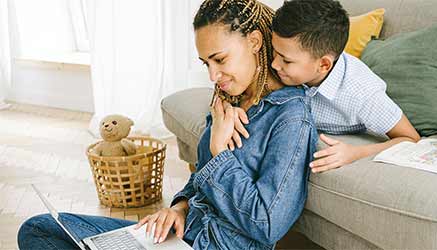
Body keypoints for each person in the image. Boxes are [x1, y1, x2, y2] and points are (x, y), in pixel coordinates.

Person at [17, 0, 318, 249]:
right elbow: (200, 179)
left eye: (220, 59)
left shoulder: (291, 117)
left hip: (216, 244)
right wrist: (179, 208)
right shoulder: (228, 102)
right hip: (179, 237)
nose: (213, 76)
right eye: (206, 64)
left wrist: (219, 152)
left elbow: (266, 225)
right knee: (40, 229)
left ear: (254, 41)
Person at [269, 0, 421, 173]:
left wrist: (356, 153)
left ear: (324, 65)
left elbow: (411, 138)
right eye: (275, 52)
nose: (274, 64)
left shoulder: (362, 93)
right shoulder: (287, 57)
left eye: (286, 60)